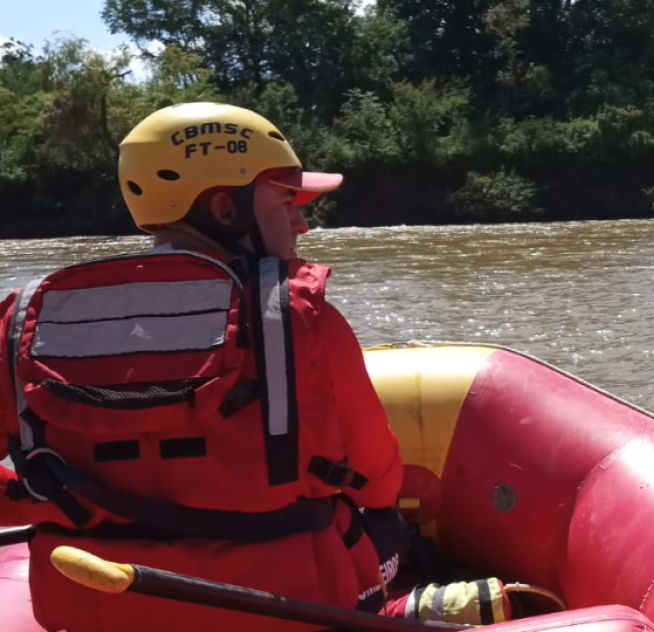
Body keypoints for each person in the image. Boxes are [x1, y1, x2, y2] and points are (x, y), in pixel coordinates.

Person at [0, 102, 405, 632]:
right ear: (223, 209)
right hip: (285, 609)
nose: (301, 221)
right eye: (286, 200)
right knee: (388, 522)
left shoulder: (21, 325)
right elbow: (377, 481)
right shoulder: (305, 320)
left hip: (92, 605)